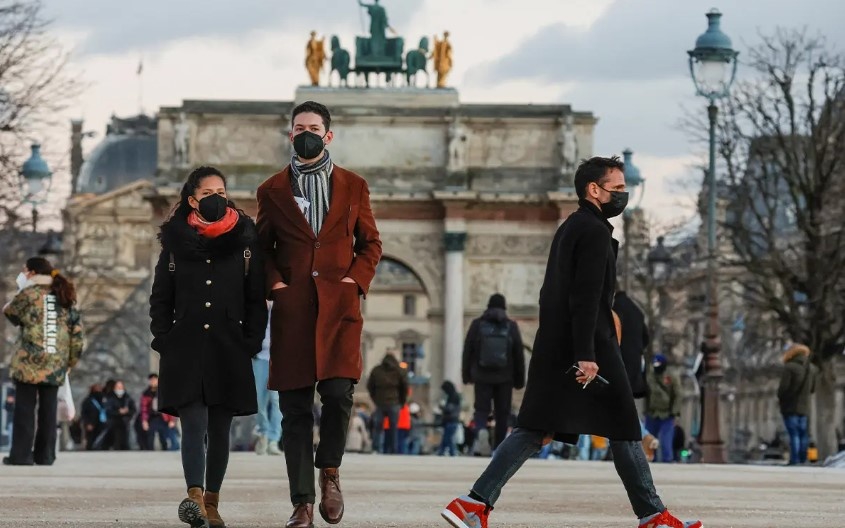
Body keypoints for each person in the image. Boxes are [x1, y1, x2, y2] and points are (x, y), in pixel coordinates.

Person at [441, 156, 701, 528]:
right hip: (589, 348)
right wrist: (587, 354)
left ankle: (473, 503)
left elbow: (553, 294)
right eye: (618, 189)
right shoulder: (594, 232)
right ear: (593, 190)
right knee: (624, 427)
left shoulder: (572, 226)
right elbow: (587, 298)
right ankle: (653, 517)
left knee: (535, 429)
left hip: (559, 347)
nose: (624, 195)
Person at [256, 100, 382, 528]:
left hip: (338, 308)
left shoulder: (354, 185)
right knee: (293, 410)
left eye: (313, 126)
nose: (305, 132)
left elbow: (371, 244)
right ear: (290, 135)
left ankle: (330, 471)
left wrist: (354, 282)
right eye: (298, 127)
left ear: (328, 135)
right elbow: (261, 249)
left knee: (339, 395)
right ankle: (302, 503)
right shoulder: (271, 190)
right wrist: (276, 286)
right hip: (294, 312)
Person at [150, 165, 267, 528]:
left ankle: (213, 500)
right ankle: (195, 497)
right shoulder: (174, 245)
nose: (216, 197)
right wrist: (164, 338)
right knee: (193, 424)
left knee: (219, 430)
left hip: (228, 348)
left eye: (221, 191)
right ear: (191, 200)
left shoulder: (246, 243)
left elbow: (255, 300)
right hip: (185, 348)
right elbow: (160, 298)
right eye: (207, 193)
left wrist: (250, 342)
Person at [2, 257, 84, 466]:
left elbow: (10, 313)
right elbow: (77, 333)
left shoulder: (28, 294)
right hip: (55, 362)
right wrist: (70, 362)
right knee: (49, 413)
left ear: (31, 273)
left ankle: (21, 456)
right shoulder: (64, 294)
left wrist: (21, 288)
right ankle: (45, 455)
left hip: (28, 362)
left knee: (25, 411)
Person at [462, 293, 525, 451]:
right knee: (502, 413)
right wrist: (519, 379)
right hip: (505, 376)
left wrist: (466, 374)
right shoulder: (511, 326)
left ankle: (481, 431)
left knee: (481, 410)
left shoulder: (477, 324)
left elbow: (467, 350)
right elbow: (519, 354)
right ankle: (498, 447)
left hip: (482, 375)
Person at [777, 343, 818, 466]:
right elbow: (812, 389)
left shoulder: (789, 367)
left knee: (793, 434)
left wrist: (781, 398)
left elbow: (783, 389)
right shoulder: (812, 368)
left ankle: (794, 460)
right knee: (803, 433)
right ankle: (802, 459)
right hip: (805, 407)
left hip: (790, 406)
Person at [253, 309, 283, 456]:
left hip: (279, 358)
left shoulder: (282, 300)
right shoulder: (258, 303)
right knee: (258, 400)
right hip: (260, 358)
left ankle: (273, 439)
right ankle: (263, 431)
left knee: (277, 401)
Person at [366, 353, 408, 454]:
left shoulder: (376, 370)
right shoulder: (399, 371)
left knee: (378, 426)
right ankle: (393, 449)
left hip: (380, 401)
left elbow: (370, 385)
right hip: (394, 401)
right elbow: (404, 387)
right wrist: (402, 401)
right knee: (393, 427)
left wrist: (375, 398)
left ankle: (376, 448)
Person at [645, 354, 681, 463]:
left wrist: (674, 413)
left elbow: (677, 395)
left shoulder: (671, 376)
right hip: (652, 412)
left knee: (666, 440)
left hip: (667, 414)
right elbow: (646, 393)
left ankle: (667, 460)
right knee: (649, 439)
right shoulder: (649, 375)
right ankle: (650, 459)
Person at [614, 291, 650, 399]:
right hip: (636, 360)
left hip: (621, 358)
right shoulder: (637, 311)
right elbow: (646, 337)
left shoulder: (617, 309)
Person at [140, 374, 172, 451]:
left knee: (163, 437)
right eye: (151, 380)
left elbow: (170, 407)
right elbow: (143, 409)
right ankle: (150, 453)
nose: (153, 382)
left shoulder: (164, 392)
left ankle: (165, 451)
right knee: (150, 436)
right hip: (152, 417)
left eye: (155, 379)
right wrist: (144, 421)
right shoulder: (146, 393)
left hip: (163, 417)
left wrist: (172, 420)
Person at [104, 380, 136, 451]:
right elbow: (108, 410)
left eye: (121, 387)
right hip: (114, 423)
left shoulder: (128, 398)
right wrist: (118, 412)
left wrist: (127, 412)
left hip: (125, 423)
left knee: (126, 442)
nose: (119, 389)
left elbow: (133, 410)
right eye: (118, 387)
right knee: (116, 441)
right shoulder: (110, 398)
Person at [436, 381, 462, 457]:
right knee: (446, 437)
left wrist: (443, 407)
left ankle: (452, 452)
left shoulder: (453, 396)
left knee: (448, 438)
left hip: (451, 420)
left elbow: (451, 409)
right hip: (451, 420)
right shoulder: (453, 396)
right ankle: (442, 451)